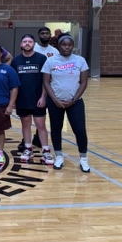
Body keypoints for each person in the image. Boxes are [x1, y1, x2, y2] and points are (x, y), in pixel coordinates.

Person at [42, 34, 91, 173]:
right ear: (59, 46)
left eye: (69, 45)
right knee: (56, 129)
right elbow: (46, 82)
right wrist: (55, 100)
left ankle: (83, 158)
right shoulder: (51, 61)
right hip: (55, 102)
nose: (67, 47)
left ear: (73, 46)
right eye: (64, 45)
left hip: (75, 102)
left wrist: (74, 100)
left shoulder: (80, 60)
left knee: (80, 130)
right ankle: (58, 156)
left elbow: (84, 82)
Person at [11, 34, 53, 165]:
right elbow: (13, 82)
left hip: (38, 99)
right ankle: (28, 148)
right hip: (22, 98)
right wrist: (13, 100)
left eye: (30, 41)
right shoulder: (16, 60)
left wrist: (43, 97)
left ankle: (46, 151)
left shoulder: (42, 58)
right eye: (24, 41)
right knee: (25, 124)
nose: (27, 43)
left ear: (34, 44)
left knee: (41, 125)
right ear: (21, 44)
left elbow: (46, 80)